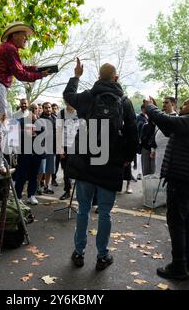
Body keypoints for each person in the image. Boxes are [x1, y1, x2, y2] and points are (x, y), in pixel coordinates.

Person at [63, 59, 138, 270]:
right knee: (105, 212)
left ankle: (79, 253)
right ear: (116, 78)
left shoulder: (88, 97)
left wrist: (76, 76)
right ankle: (102, 255)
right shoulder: (124, 101)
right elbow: (133, 134)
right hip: (110, 164)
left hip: (85, 163)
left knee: (83, 210)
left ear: (98, 77)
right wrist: (127, 159)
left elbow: (68, 96)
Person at [145, 96, 189, 280]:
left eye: (185, 103)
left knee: (176, 222)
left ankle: (178, 267)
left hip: (181, 177)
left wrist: (151, 107)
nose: (182, 106)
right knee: (186, 223)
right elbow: (169, 128)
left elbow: (166, 120)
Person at [0, 22, 49, 176]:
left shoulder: (5, 48)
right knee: (1, 126)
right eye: (25, 36)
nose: (27, 40)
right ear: (15, 35)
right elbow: (21, 74)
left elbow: (21, 68)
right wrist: (40, 75)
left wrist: (37, 69)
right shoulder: (10, 48)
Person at [14, 104, 43, 205]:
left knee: (33, 176)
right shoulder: (21, 121)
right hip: (24, 153)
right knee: (21, 176)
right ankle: (18, 196)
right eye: (32, 109)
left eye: (36, 109)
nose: (35, 111)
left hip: (36, 153)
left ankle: (31, 195)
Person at [57, 102, 79, 200]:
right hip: (65, 146)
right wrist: (59, 148)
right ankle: (67, 191)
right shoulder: (61, 114)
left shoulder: (80, 113)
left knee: (79, 170)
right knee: (66, 170)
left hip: (77, 146)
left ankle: (79, 193)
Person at [37, 102, 57, 195]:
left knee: (50, 168)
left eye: (49, 107)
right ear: (43, 109)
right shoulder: (40, 119)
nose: (48, 109)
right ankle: (38, 187)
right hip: (42, 147)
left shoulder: (54, 118)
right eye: (46, 108)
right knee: (42, 169)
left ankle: (46, 186)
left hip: (52, 147)